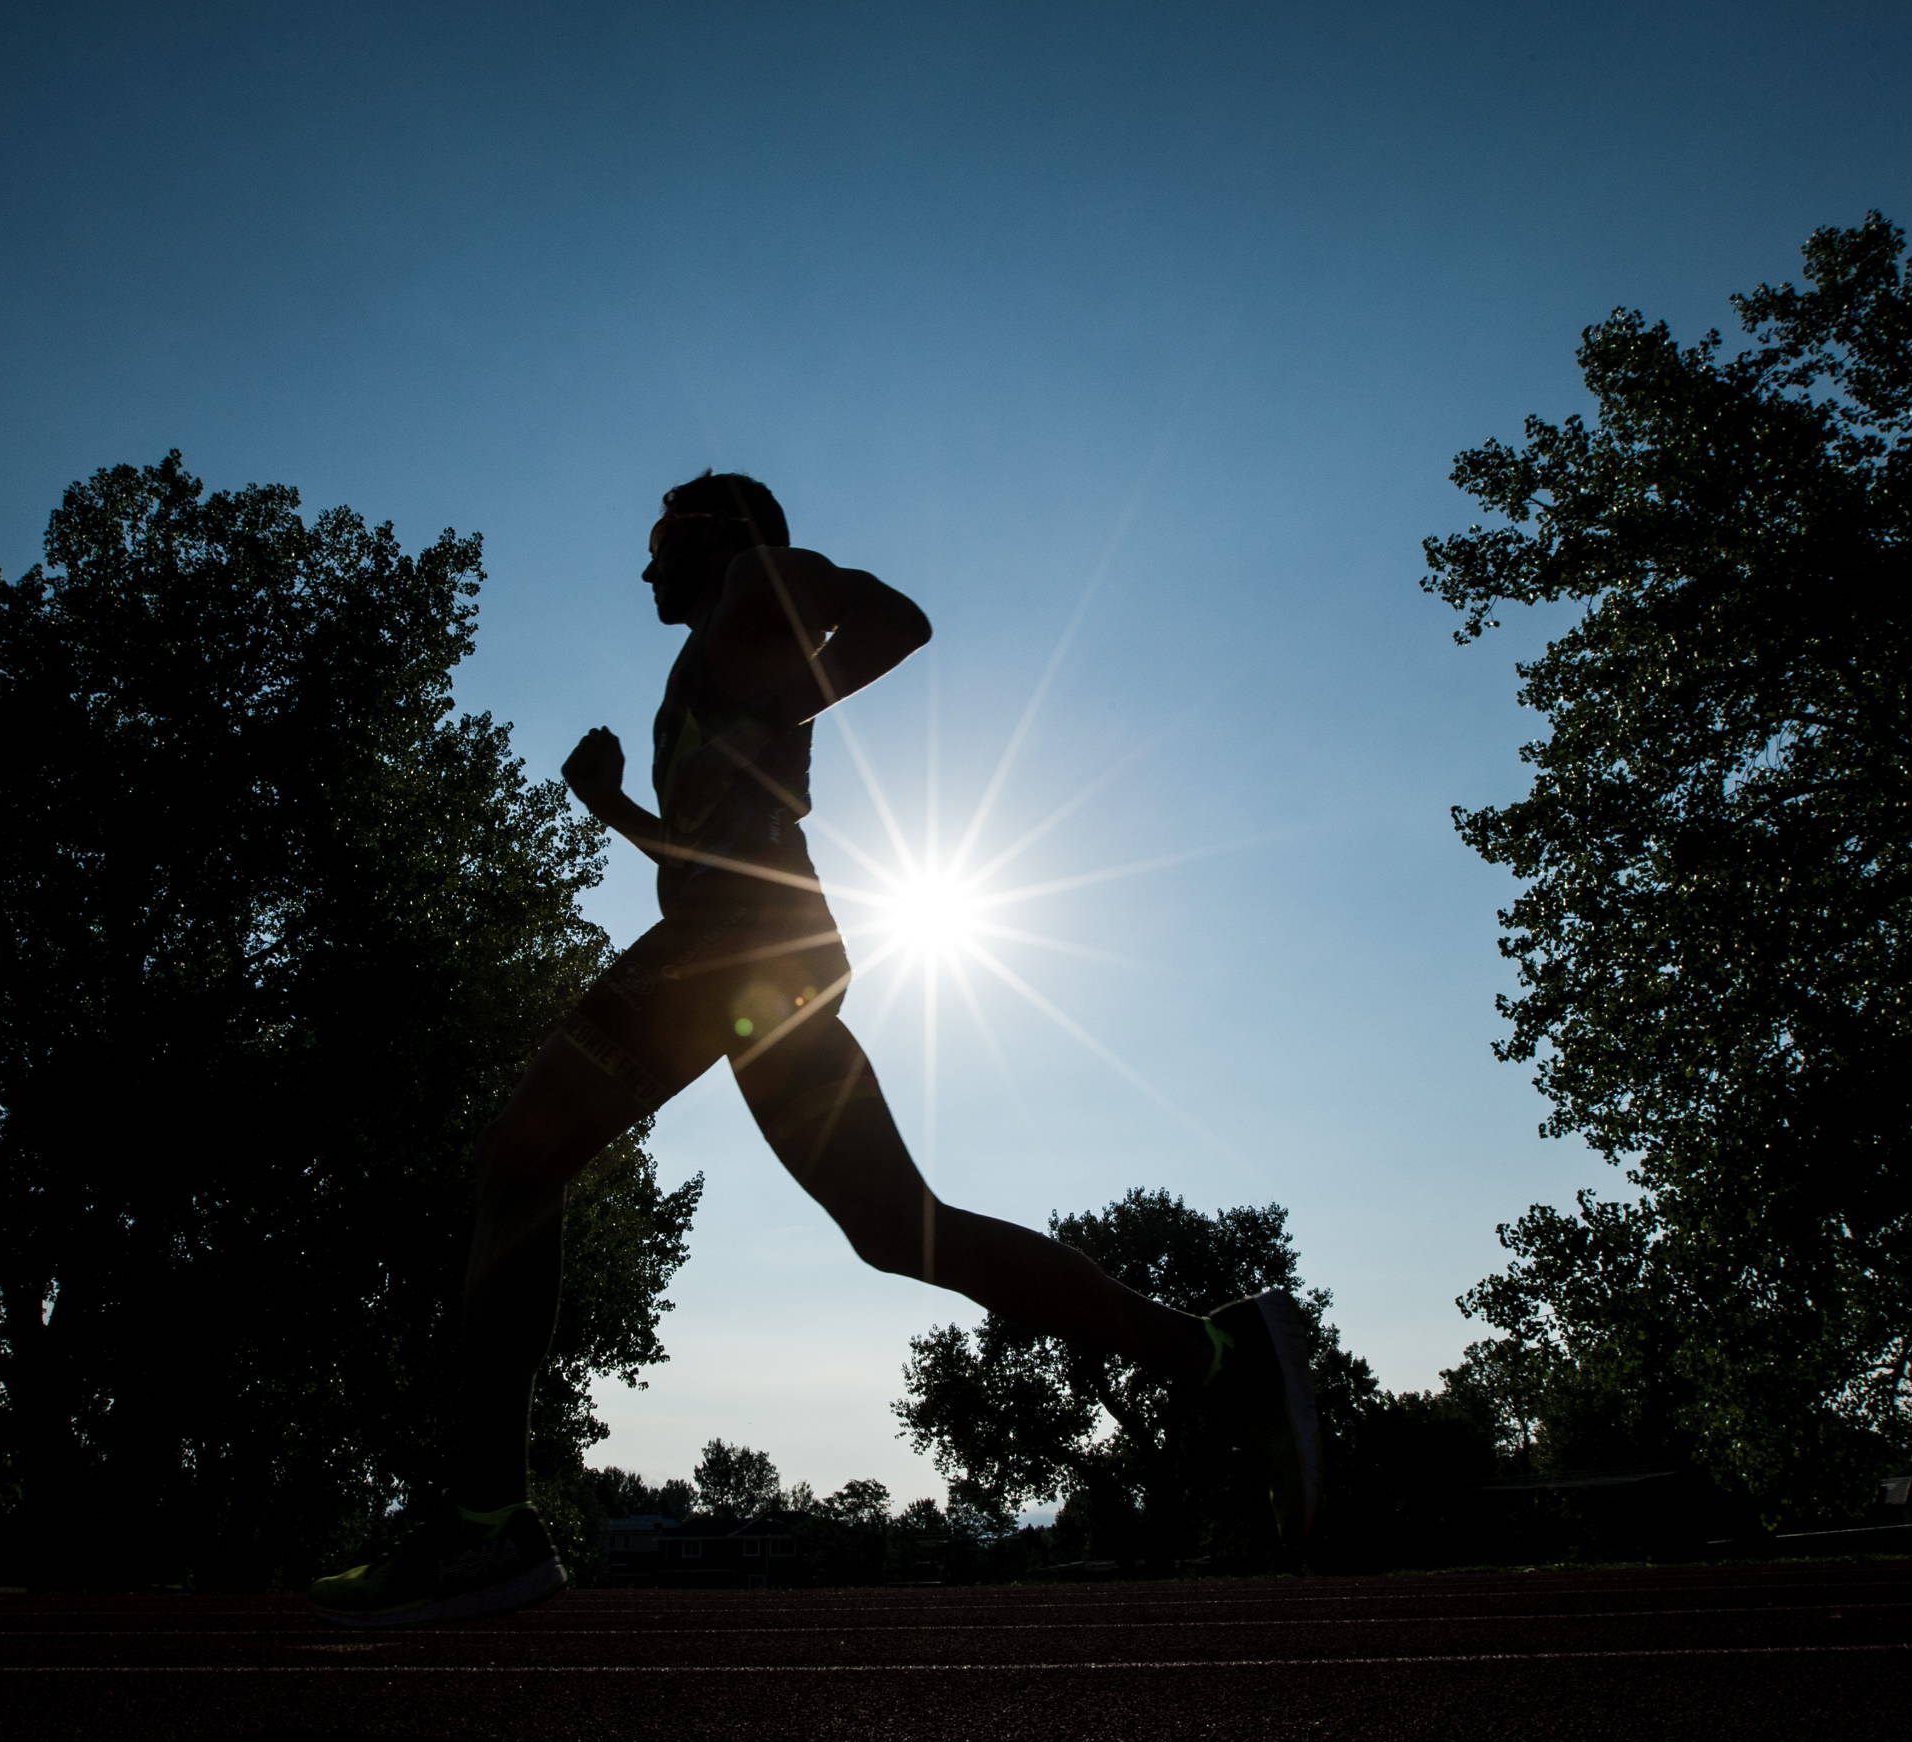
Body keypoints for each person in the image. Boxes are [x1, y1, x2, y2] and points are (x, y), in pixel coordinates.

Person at [308, 473, 1319, 1626]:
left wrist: (799, 675)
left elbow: (891, 616)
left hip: (733, 951)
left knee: (523, 1165)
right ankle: (1215, 1355)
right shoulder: (711, 671)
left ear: (716, 538)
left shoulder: (750, 582)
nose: (644, 568)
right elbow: (701, 852)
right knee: (897, 1228)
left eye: (660, 542)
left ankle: (481, 1525)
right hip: (759, 946)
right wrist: (616, 809)